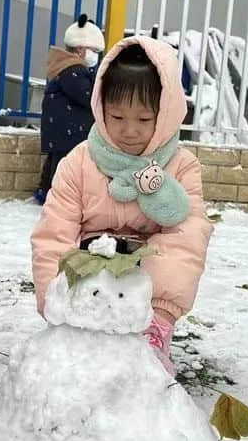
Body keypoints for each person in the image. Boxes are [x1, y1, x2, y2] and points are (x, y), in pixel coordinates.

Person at [31, 36, 213, 372]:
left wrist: (160, 307)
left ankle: (154, 334)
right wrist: (53, 296)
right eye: (117, 117)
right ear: (100, 108)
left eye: (144, 120)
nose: (130, 131)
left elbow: (186, 238)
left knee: (186, 234)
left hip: (147, 278)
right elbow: (54, 233)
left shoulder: (181, 165)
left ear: (167, 113)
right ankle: (73, 332)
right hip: (88, 271)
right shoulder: (79, 161)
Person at [36, 14, 105, 204]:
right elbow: (87, 96)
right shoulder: (72, 69)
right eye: (94, 50)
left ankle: (46, 190)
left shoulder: (69, 67)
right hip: (68, 129)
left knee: (56, 160)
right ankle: (53, 193)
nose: (96, 55)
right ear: (81, 49)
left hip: (63, 127)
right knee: (62, 163)